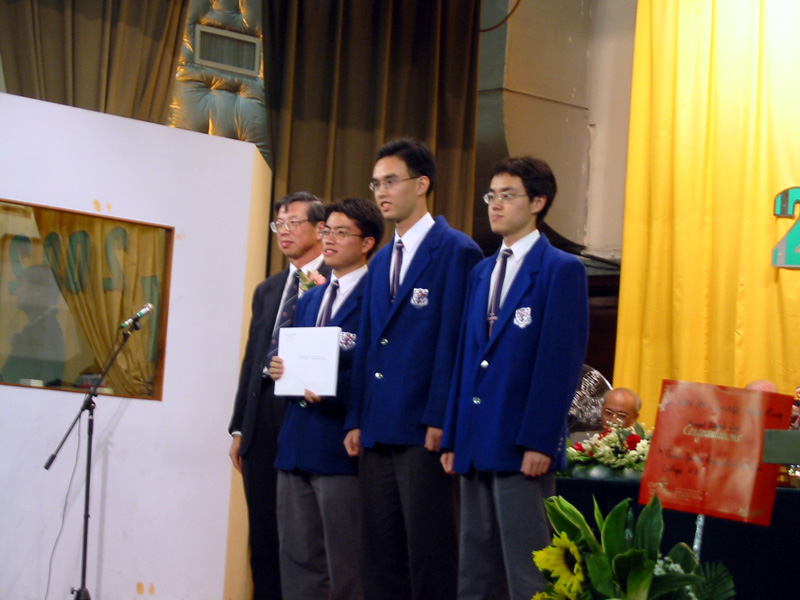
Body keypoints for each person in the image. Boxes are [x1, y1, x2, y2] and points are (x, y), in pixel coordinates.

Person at [441, 156, 589, 599]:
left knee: (527, 571)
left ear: (538, 202)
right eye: (491, 195)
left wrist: (541, 441)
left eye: (508, 195)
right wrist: (453, 436)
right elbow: (465, 359)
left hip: (521, 443)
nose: (495, 204)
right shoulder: (481, 271)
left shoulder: (561, 269)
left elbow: (559, 364)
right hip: (474, 440)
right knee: (475, 571)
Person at [343, 138, 483, 600]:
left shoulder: (457, 250)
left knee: (429, 551)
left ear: (422, 184)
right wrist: (356, 417)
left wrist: (441, 416)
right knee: (379, 554)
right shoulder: (382, 257)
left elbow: (455, 342)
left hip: (423, 427)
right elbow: (368, 343)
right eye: (376, 184)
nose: (381, 192)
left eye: (391, 181)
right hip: (378, 426)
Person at [267, 198, 384, 600]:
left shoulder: (378, 298)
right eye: (326, 231)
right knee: (298, 563)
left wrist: (331, 387)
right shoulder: (310, 299)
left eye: (341, 232)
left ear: (367, 243)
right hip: (295, 444)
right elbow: (295, 359)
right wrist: (281, 368)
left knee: (346, 567)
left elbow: (377, 372)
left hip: (339, 446)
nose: (329, 240)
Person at [228, 191, 329, 600]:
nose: (284, 232)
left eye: (293, 223)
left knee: (305, 541)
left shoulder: (335, 282)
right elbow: (252, 358)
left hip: (307, 414)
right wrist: (239, 428)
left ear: (321, 229)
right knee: (264, 536)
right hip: (262, 420)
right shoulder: (268, 289)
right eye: (279, 224)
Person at [0, 263, 65, 385]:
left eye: (21, 285)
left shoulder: (45, 331)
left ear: (38, 291)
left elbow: (31, 377)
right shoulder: (38, 327)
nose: (17, 292)